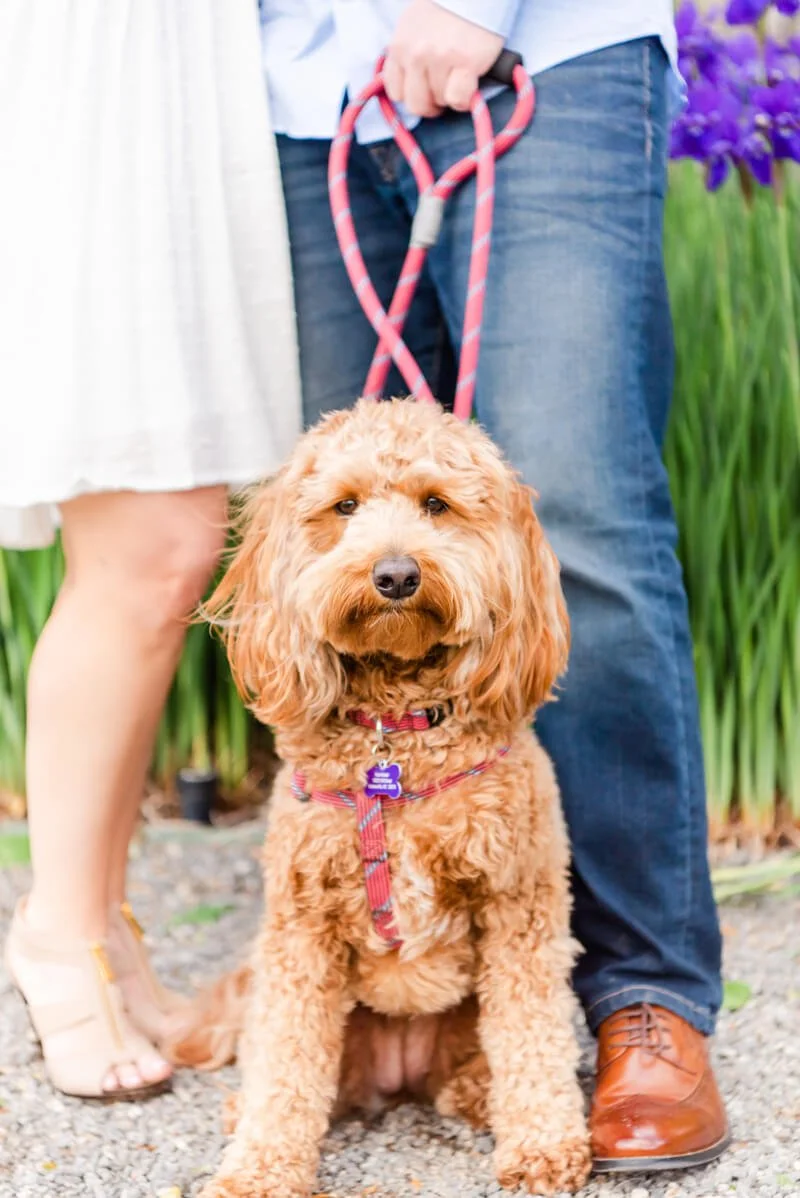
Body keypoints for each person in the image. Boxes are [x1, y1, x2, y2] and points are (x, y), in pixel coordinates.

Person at [260, 0, 729, 1172]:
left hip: (542, 44)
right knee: (332, 528)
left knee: (567, 519)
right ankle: (348, 1019)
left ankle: (645, 1001)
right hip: (295, 84)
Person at [0, 0, 300, 1099]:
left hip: (179, 71)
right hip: (100, 76)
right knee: (150, 547)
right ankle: (56, 932)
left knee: (174, 550)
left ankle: (101, 930)